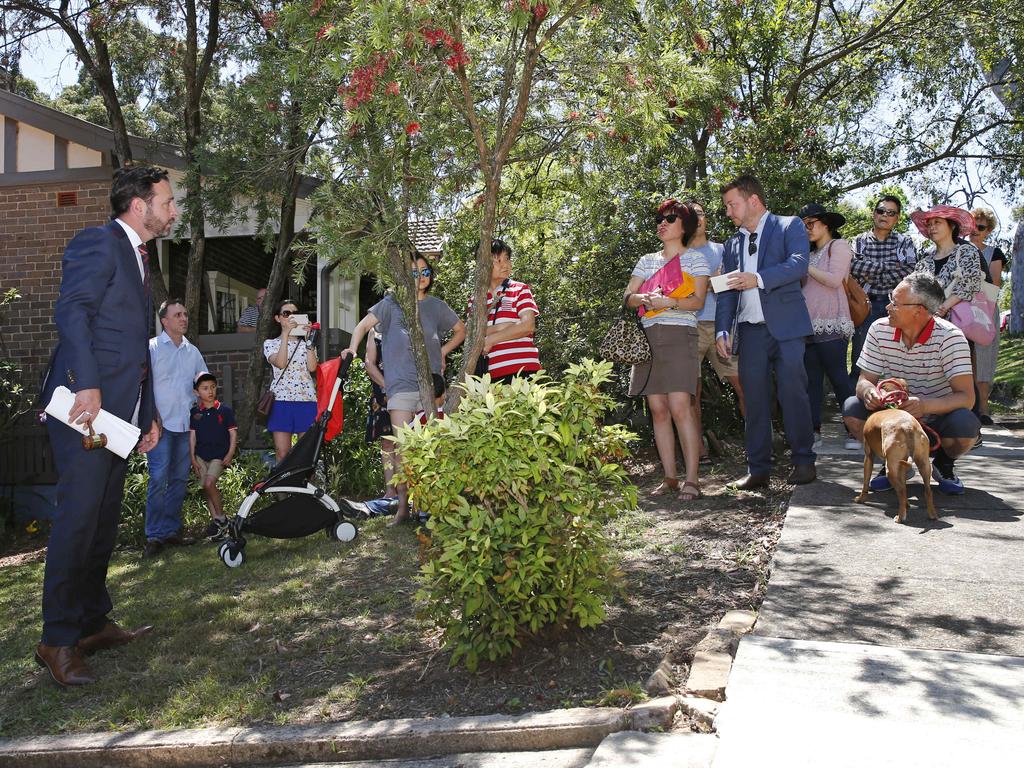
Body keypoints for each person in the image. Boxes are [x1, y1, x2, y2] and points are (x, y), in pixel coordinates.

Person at [36, 165, 170, 686]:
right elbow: (72, 313)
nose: (173, 209)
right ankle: (57, 639)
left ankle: (91, 623)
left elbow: (138, 345)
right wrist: (88, 385)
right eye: (168, 200)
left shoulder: (140, 258)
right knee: (77, 520)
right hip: (83, 409)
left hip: (119, 416)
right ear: (139, 204)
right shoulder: (98, 242)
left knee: (102, 520)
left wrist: (149, 411)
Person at [344, 253, 466, 524]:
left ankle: (424, 506)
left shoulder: (437, 306)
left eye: (425, 271)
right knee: (403, 449)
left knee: (429, 447)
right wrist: (352, 349)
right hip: (399, 386)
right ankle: (402, 507)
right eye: (414, 272)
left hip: (430, 388)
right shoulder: (391, 305)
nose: (421, 277)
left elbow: (462, 330)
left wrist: (443, 351)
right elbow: (362, 327)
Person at [715, 174, 816, 489]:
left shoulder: (790, 226)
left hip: (786, 329)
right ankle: (757, 470)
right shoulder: (732, 244)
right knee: (754, 400)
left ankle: (803, 462)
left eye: (732, 205)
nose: (729, 212)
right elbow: (727, 291)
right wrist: (721, 330)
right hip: (751, 332)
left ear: (753, 200)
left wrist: (756, 278)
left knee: (793, 394)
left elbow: (799, 265)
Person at [843, 272, 980, 494]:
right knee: (852, 409)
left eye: (895, 303)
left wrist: (924, 406)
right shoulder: (879, 329)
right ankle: (895, 461)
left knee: (966, 424)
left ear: (919, 311)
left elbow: (967, 397)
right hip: (891, 418)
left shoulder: (951, 337)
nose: (888, 307)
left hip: (936, 421)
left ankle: (944, 464)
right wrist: (868, 391)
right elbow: (863, 380)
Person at [623, 199, 710, 501]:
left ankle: (693, 480)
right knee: (658, 410)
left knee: (679, 407)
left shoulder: (696, 260)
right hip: (648, 338)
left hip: (680, 334)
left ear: (684, 225)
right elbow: (628, 296)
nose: (662, 223)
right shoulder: (647, 260)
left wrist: (669, 302)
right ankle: (670, 477)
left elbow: (697, 302)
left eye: (670, 219)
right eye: (660, 218)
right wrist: (643, 296)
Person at [143, 298, 208, 559]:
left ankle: (170, 531)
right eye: (178, 315)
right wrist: (149, 418)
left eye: (185, 314)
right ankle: (154, 535)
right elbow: (143, 387)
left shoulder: (193, 352)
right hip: (159, 426)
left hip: (185, 425)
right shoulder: (152, 348)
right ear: (164, 321)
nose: (184, 318)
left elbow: (203, 382)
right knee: (159, 479)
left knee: (179, 479)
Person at [688, 199, 745, 463]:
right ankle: (697, 453)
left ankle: (760, 447)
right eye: (691, 215)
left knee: (743, 384)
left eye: (700, 213)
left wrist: (705, 283)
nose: (697, 218)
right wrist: (711, 281)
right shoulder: (677, 253)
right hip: (689, 328)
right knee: (691, 392)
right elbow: (682, 292)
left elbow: (733, 281)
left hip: (724, 326)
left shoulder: (723, 249)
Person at [797, 204, 856, 452]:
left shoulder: (839, 247)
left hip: (832, 321)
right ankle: (813, 430)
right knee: (811, 381)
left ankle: (856, 429)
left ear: (825, 224)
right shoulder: (807, 254)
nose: (807, 229)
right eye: (804, 225)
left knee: (839, 377)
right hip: (807, 324)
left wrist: (803, 266)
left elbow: (834, 280)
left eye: (811, 223)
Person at [848, 195, 917, 385]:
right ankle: (858, 405)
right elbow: (853, 267)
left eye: (891, 212)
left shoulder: (905, 242)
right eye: (881, 211)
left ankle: (894, 401)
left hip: (895, 306)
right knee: (861, 358)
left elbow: (909, 271)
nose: (884, 215)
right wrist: (889, 266)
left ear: (897, 217)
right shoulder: (859, 241)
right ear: (873, 213)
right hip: (865, 305)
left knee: (897, 356)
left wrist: (870, 271)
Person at [473, 239, 542, 382]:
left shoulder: (520, 289)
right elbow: (472, 334)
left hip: (524, 370)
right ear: (483, 265)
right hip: (490, 376)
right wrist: (503, 326)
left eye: (507, 259)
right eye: (498, 260)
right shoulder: (475, 299)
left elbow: (528, 326)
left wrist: (491, 339)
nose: (505, 264)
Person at [263, 299, 319, 463]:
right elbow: (280, 363)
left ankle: (303, 486)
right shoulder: (270, 343)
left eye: (295, 313)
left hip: (306, 400)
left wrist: (310, 341)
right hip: (281, 402)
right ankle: (284, 487)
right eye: (286, 313)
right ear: (278, 318)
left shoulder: (306, 344)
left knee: (305, 453)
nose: (291, 317)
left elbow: (312, 367)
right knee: (282, 453)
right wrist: (286, 335)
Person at [189, 372, 238, 541]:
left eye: (212, 387)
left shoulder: (224, 410)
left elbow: (232, 434)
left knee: (210, 483)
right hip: (201, 456)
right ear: (196, 392)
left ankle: (222, 518)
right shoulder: (195, 412)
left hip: (219, 455)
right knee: (206, 488)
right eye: (204, 388)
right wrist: (193, 458)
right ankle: (218, 526)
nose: (209, 391)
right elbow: (192, 436)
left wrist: (230, 453)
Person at [969, 207, 1005, 425]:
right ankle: (965, 407)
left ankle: (983, 408)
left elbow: (994, 285)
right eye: (972, 225)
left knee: (984, 361)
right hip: (958, 311)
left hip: (985, 311)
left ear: (988, 231)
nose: (975, 231)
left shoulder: (994, 253)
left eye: (980, 227)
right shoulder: (956, 249)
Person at [363, 331, 397, 513]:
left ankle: (409, 490)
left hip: (407, 388)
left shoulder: (409, 322)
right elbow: (369, 363)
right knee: (387, 441)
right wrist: (387, 386)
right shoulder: (375, 330)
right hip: (382, 392)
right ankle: (391, 490)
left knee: (408, 441)